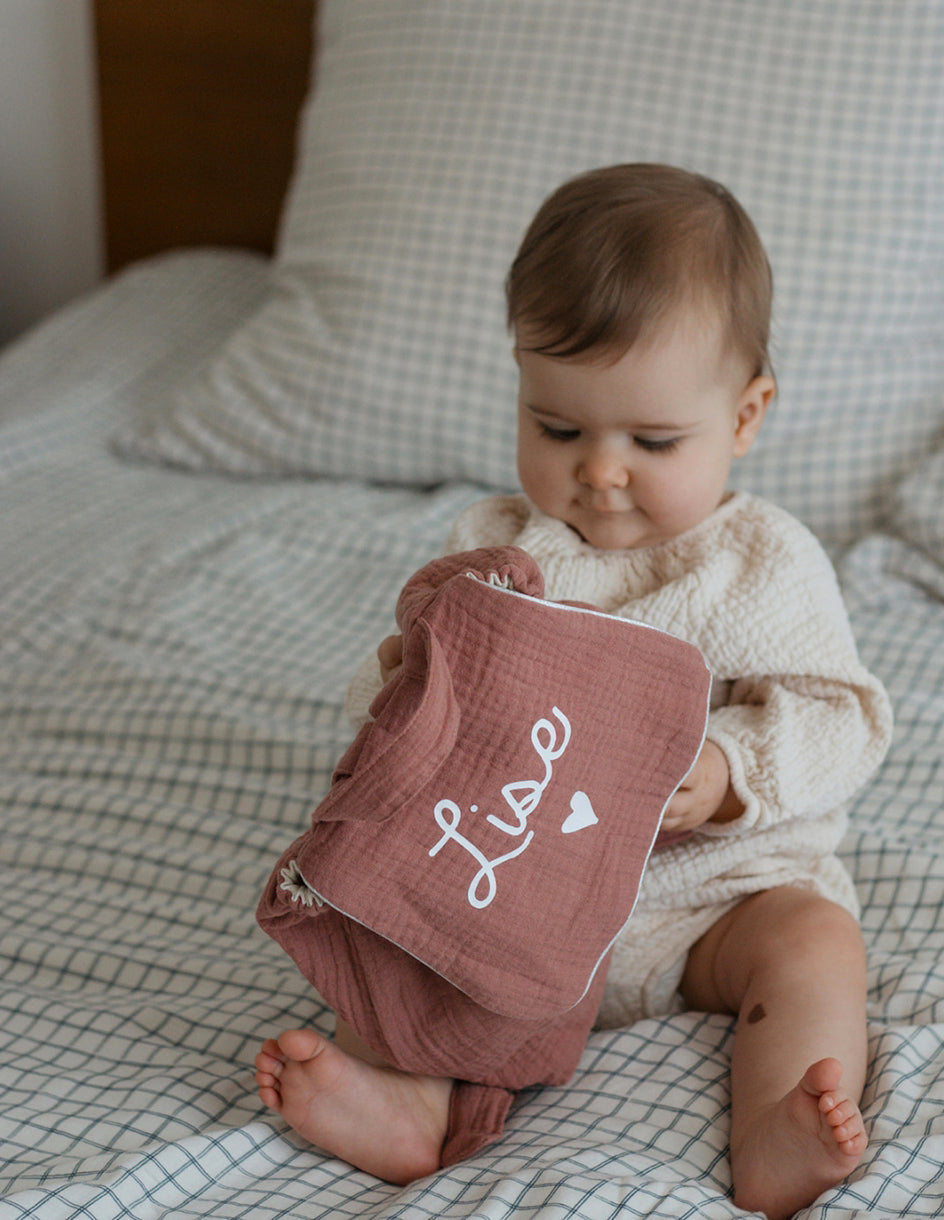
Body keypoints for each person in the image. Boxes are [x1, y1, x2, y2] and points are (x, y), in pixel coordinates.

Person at [255, 163, 892, 1219]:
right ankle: (410, 1096)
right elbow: (412, 690)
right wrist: (405, 689)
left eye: (652, 441)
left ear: (745, 415)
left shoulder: (760, 564)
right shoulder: (500, 549)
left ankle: (774, 1126)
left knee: (814, 942)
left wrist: (728, 768)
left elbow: (844, 718)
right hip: (508, 886)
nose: (599, 471)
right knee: (393, 918)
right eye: (557, 429)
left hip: (707, 901)